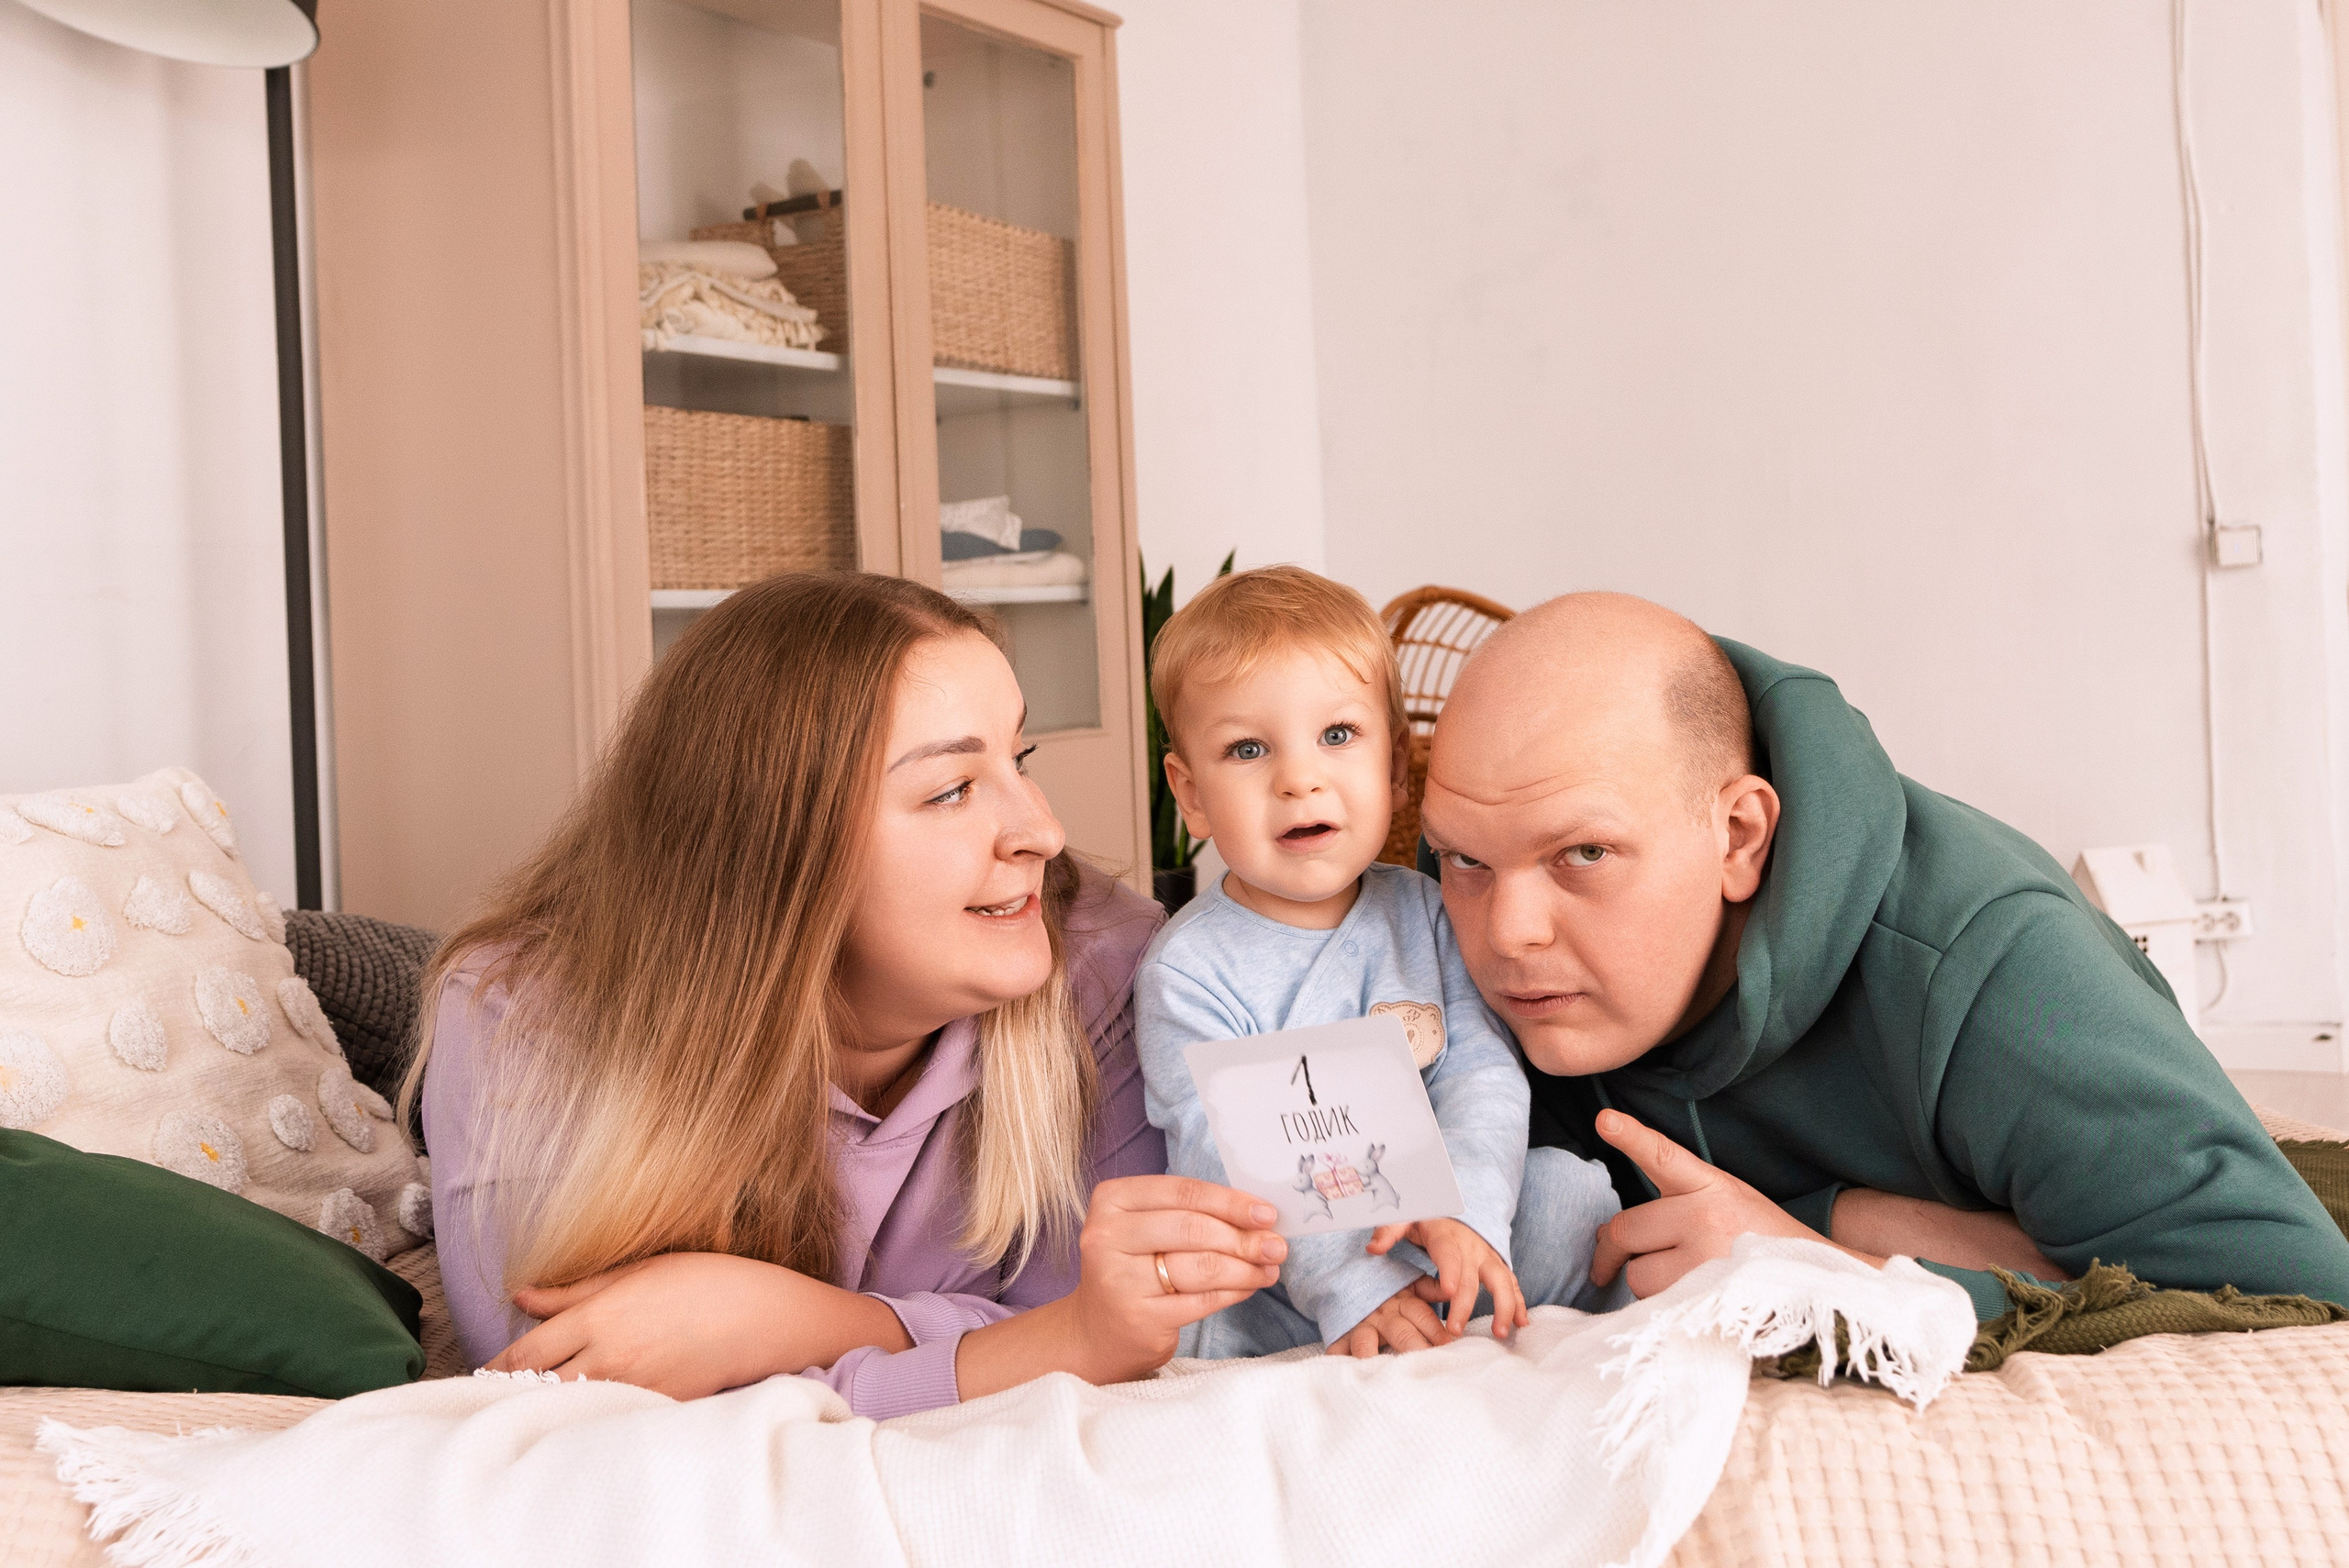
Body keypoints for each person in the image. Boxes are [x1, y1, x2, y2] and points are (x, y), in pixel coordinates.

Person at [402, 572, 1289, 1415]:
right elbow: (562, 1389)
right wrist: (995, 1346)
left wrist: (773, 1320)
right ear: (777, 852)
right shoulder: (517, 1011)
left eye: (1021, 757)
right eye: (950, 790)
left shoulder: (1112, 964)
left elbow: (1122, 1337)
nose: (1043, 831)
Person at [1418, 590, 2349, 1319]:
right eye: (1463, 857)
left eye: (1583, 854)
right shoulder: (1434, 930)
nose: (1506, 934)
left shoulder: (1994, 967)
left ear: (1739, 835)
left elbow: (2300, 1297)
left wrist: (1825, 1257)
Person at [1134, 567, 1620, 1360]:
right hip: (1289, 1276)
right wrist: (1356, 1287)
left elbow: (1478, 1076)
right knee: (1211, 1301)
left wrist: (1464, 1213)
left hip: (1437, 1221)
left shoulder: (1426, 910)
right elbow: (1227, 1158)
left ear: (1397, 769)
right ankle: (1380, 1318)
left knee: (1572, 1190)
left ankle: (1497, 1291)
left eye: (1337, 735)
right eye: (1248, 748)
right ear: (1189, 794)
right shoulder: (1189, 969)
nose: (1299, 777)